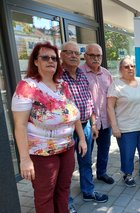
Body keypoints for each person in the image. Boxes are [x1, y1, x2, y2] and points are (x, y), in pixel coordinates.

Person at [11, 41, 87, 213]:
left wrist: (81, 138)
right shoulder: (27, 87)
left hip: (67, 147)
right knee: (45, 195)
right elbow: (20, 125)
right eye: (45, 57)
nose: (51, 61)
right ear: (36, 61)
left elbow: (74, 115)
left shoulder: (62, 85)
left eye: (54, 58)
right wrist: (24, 159)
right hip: (41, 152)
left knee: (63, 190)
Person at [60, 41, 108, 210]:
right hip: (65, 130)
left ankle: (88, 191)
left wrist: (93, 124)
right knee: (66, 168)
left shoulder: (81, 74)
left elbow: (89, 102)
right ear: (62, 55)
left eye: (75, 53)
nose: (73, 56)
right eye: (69, 52)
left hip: (86, 126)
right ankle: (67, 203)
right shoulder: (57, 76)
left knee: (86, 161)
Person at [107, 56, 140, 187]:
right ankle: (127, 174)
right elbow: (110, 106)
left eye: (132, 66)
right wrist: (114, 127)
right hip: (126, 127)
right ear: (121, 69)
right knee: (127, 153)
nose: (130, 68)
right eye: (126, 66)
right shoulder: (116, 85)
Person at [80, 43, 114, 185]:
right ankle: (87, 183)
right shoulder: (79, 73)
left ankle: (102, 173)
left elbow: (112, 96)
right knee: (86, 155)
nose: (96, 58)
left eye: (98, 55)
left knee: (104, 149)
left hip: (105, 120)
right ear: (85, 56)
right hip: (87, 123)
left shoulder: (106, 74)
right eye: (92, 55)